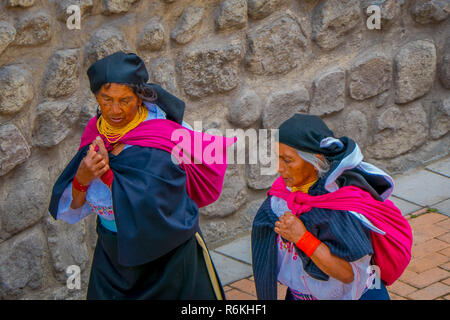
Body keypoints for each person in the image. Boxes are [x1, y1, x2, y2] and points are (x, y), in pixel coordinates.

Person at [48, 51, 236, 300]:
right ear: (96, 97)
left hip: (167, 258)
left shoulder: (169, 135)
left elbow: (156, 205)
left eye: (124, 100)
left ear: (139, 97)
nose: (115, 110)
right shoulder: (95, 132)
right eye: (106, 100)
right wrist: (82, 178)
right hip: (114, 254)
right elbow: (75, 206)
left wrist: (107, 177)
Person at [251, 113, 412, 300]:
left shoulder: (340, 207)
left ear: (316, 160)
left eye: (287, 160)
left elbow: (347, 274)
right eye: (277, 158)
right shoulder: (281, 196)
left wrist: (302, 238)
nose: (279, 167)